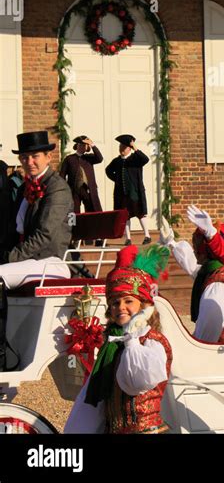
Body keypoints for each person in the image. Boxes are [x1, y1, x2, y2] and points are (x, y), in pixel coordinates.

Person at [64, 243, 172, 434]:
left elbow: (138, 382)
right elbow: (95, 400)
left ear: (144, 305)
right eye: (115, 302)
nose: (121, 307)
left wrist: (131, 339)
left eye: (128, 301)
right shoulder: (113, 344)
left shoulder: (151, 341)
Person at [0, 131, 72, 289]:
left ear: (48, 157)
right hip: (26, 260)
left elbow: (44, 235)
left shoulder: (57, 187)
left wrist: (10, 257)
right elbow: (11, 229)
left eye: (35, 156)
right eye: (24, 157)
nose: (29, 161)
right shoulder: (23, 189)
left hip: (49, 260)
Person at [159, 216, 224, 343]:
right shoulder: (211, 271)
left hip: (217, 353)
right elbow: (192, 267)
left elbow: (206, 338)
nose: (194, 252)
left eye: (196, 247)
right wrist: (171, 242)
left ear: (205, 251)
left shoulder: (218, 285)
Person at [105, 135, 150, 245]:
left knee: (140, 213)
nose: (121, 149)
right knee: (125, 215)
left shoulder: (136, 159)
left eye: (124, 147)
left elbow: (146, 159)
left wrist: (135, 146)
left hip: (135, 193)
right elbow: (108, 171)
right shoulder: (117, 161)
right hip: (122, 194)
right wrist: (116, 179)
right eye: (120, 146)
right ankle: (128, 238)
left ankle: (147, 235)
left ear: (129, 148)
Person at [60, 136, 103, 212]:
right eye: (80, 145)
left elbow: (100, 159)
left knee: (92, 212)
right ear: (76, 146)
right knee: (72, 213)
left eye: (84, 145)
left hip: (88, 190)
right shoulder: (69, 158)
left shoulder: (89, 158)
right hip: (74, 191)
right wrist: (65, 190)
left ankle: (90, 224)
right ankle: (73, 224)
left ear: (87, 148)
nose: (82, 147)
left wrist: (92, 145)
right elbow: (62, 175)